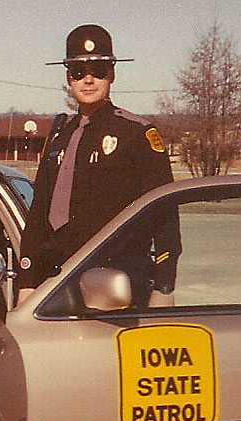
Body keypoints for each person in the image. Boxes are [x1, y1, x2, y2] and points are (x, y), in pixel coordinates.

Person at [17, 24, 180, 309]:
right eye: (79, 72)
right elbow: (39, 215)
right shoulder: (59, 138)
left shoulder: (136, 135)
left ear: (112, 74)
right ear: (68, 77)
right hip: (55, 286)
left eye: (98, 70)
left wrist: (164, 286)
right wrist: (27, 282)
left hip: (116, 288)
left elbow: (164, 215)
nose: (88, 79)